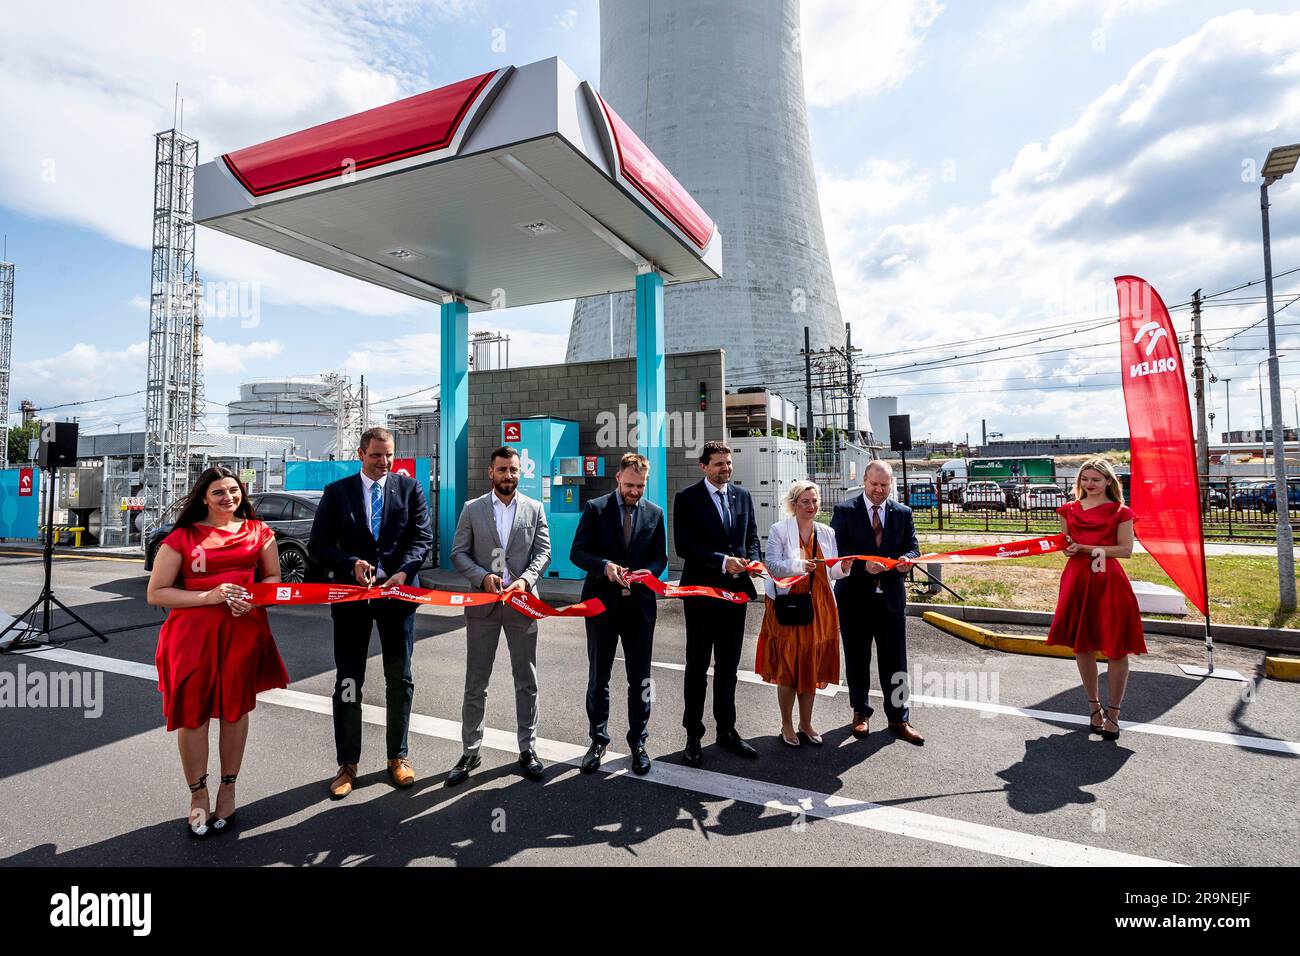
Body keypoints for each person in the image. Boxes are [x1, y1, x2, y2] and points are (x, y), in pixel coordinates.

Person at [147, 466, 290, 838]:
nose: (229, 497)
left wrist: (255, 602)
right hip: (191, 636)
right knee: (193, 716)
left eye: (234, 490)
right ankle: (198, 795)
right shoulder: (182, 536)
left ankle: (229, 787)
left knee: (234, 711)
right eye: (218, 493)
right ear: (204, 498)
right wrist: (207, 597)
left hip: (243, 633)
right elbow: (157, 592)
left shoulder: (260, 532)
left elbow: (273, 580)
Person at [308, 426, 433, 798]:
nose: (384, 461)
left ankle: (399, 756)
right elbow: (318, 545)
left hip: (397, 598)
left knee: (400, 679)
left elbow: (421, 538)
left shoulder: (410, 489)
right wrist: (350, 564)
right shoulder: (337, 493)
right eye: (377, 454)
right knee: (348, 681)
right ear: (361, 453)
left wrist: (404, 571)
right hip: (351, 602)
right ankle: (347, 764)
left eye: (389, 454)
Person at [448, 445, 551, 786]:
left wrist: (525, 579)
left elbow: (544, 552)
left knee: (527, 681)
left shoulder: (534, 509)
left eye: (514, 470)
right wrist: (482, 577)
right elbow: (458, 553)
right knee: (476, 683)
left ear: (520, 473)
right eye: (503, 469)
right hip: (483, 607)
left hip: (522, 606)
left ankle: (528, 749)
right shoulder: (472, 509)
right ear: (490, 473)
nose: (509, 475)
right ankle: (471, 750)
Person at [570, 453, 667, 775]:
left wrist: (646, 573)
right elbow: (577, 552)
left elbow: (660, 559)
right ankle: (598, 739)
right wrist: (605, 567)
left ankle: (638, 742)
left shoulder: (655, 513)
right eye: (629, 485)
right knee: (600, 676)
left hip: (639, 609)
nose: (634, 491)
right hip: (601, 607)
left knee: (640, 679)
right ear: (618, 479)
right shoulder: (596, 509)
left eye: (640, 486)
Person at [673, 440, 764, 766]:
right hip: (701, 595)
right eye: (718, 464)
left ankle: (727, 731)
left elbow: (751, 535)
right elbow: (684, 546)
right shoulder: (687, 498)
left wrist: (752, 559)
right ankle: (693, 735)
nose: (725, 469)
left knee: (728, 668)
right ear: (703, 466)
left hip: (735, 596)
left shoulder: (742, 496)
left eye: (728, 463)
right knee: (697, 667)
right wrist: (723, 561)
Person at [1046, 457, 1146, 741]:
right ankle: (1093, 709)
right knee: (1082, 645)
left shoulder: (1121, 512)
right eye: (1085, 479)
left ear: (1108, 483)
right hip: (1077, 581)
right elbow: (1064, 544)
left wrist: (1086, 547)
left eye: (1096, 480)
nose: (1089, 484)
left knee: (1117, 649)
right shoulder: (1067, 510)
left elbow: (1125, 550)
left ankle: (1114, 713)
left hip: (1109, 583)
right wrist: (1065, 548)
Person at [830, 460, 925, 745]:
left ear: (891, 483)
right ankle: (861, 713)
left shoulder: (903, 513)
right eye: (874, 484)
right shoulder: (845, 511)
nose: (879, 490)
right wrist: (862, 567)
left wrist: (909, 560)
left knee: (895, 661)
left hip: (891, 600)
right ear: (864, 480)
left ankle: (899, 717)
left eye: (885, 485)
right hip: (854, 599)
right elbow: (837, 551)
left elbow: (913, 546)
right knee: (858, 658)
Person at [756, 480, 849, 746]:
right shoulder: (779, 530)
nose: (811, 506)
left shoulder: (827, 533)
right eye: (805, 501)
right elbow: (772, 565)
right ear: (794, 504)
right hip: (788, 606)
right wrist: (799, 565)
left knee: (810, 666)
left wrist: (843, 568)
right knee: (788, 667)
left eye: (815, 501)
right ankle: (786, 724)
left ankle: (805, 723)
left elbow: (830, 571)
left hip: (820, 607)